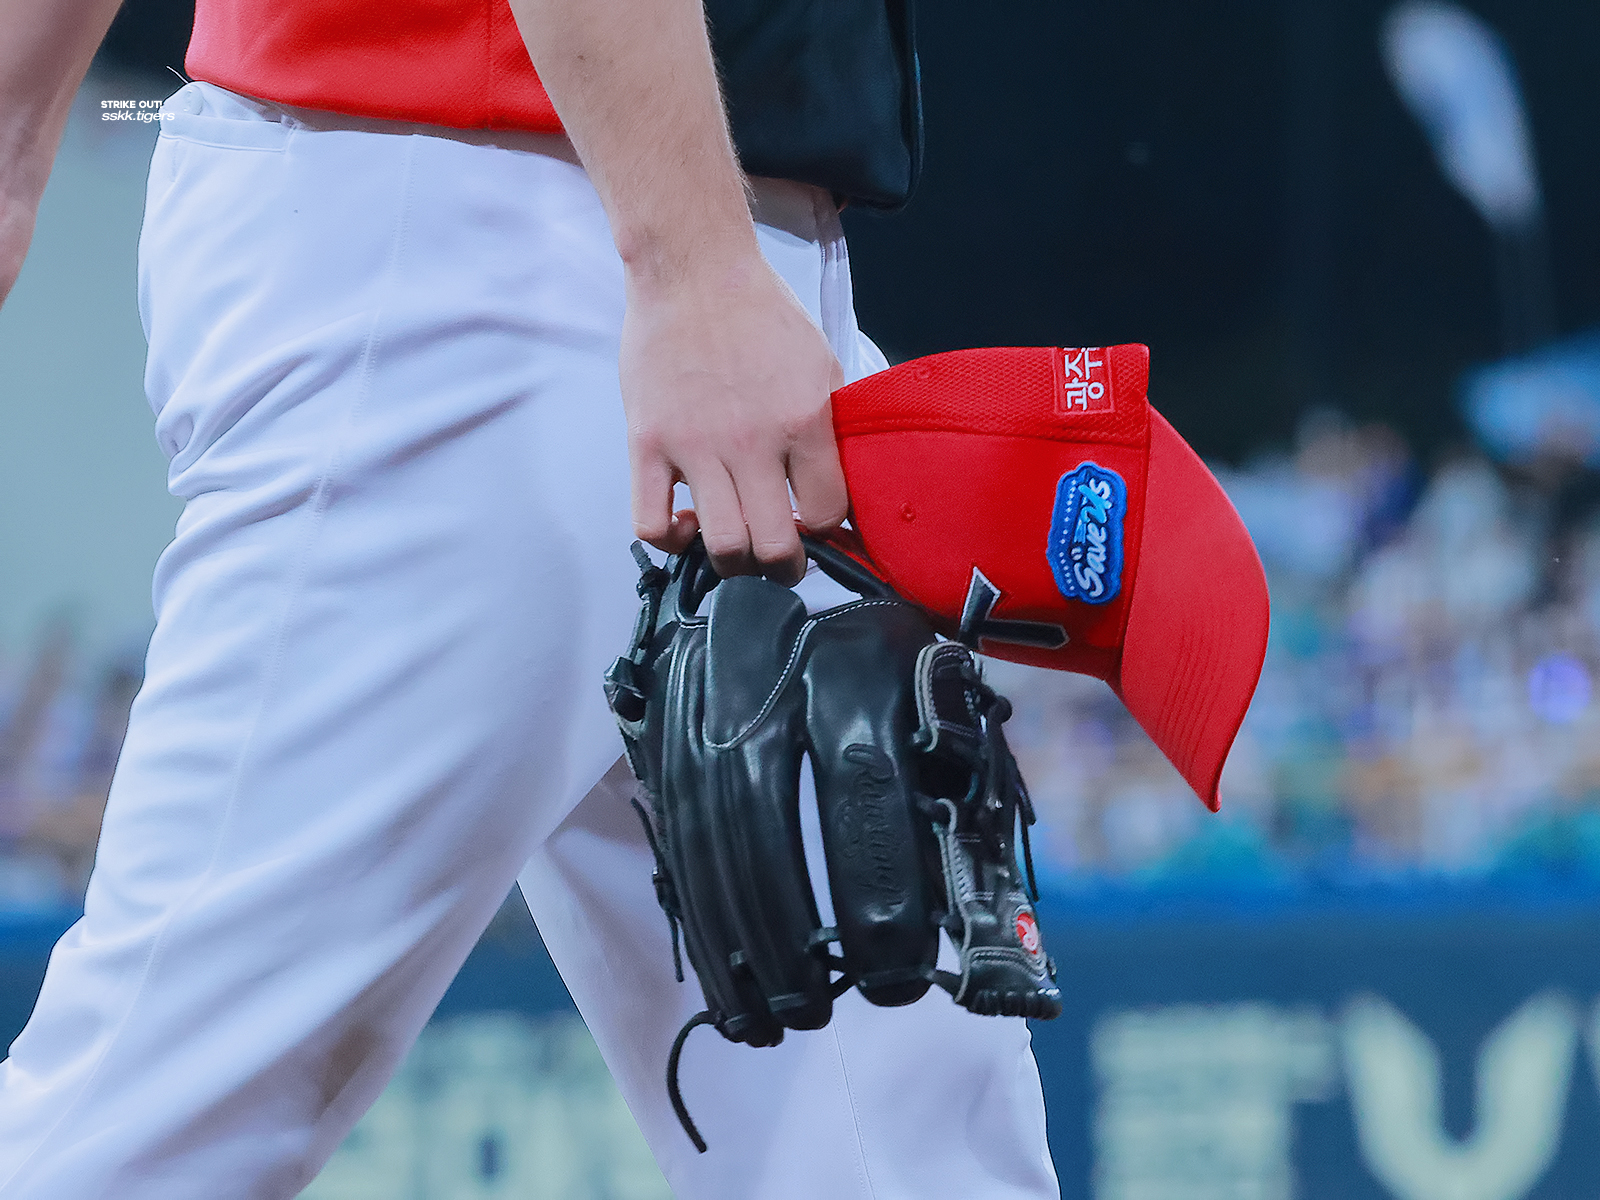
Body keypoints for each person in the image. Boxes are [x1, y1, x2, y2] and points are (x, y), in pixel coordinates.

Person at [0, 0, 1061, 1195]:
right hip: (503, 224)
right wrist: (693, 268)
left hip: (678, 249)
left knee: (907, 1128)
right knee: (151, 1127)